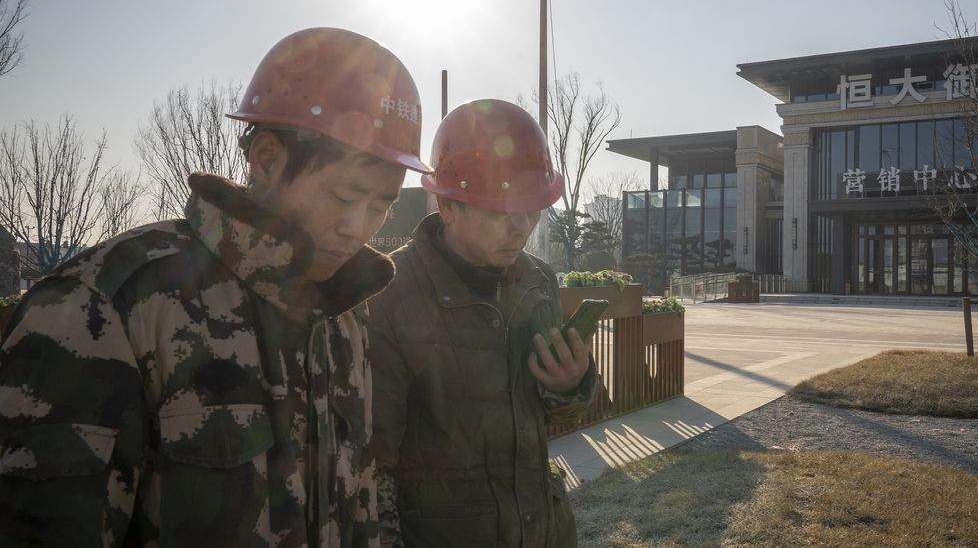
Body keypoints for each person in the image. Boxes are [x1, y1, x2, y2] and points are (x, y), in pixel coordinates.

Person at [0, 27, 429, 547]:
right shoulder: (105, 305)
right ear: (267, 159)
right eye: (342, 196)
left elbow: (357, 503)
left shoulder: (342, 314)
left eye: (380, 205)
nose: (357, 227)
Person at [369, 98, 598, 547]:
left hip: (543, 530)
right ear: (450, 207)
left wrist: (571, 383)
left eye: (532, 212)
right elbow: (371, 467)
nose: (522, 229)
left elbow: (556, 416)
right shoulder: (391, 293)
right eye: (503, 214)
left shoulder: (537, 280)